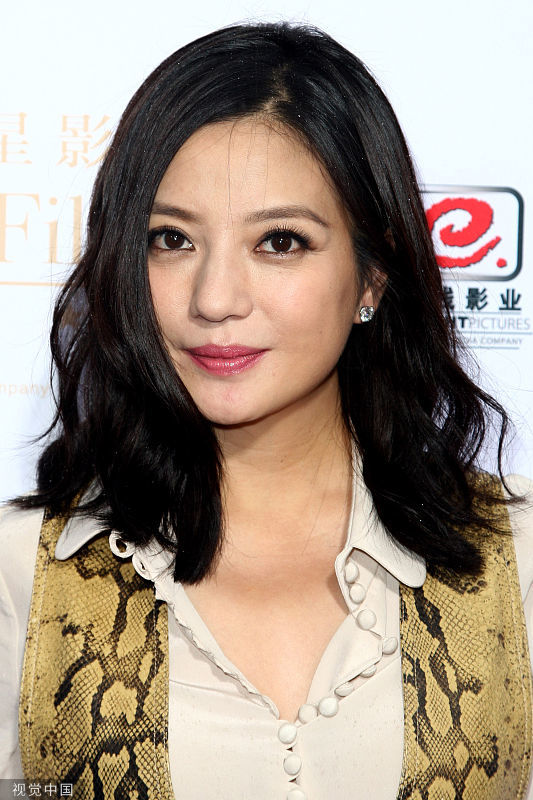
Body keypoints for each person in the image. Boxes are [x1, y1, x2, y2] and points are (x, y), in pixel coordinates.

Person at [0, 21, 531, 800]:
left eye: (279, 241)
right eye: (170, 239)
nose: (214, 299)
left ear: (372, 275)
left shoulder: (515, 558)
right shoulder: (21, 573)